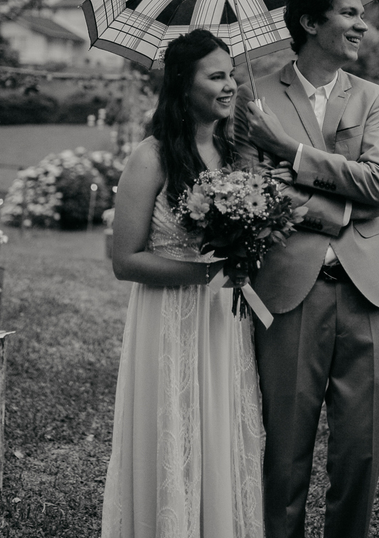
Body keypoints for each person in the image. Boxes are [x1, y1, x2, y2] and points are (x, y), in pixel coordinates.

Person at [233, 0, 379, 538]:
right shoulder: (254, 97)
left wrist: (290, 152)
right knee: (284, 449)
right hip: (289, 287)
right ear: (310, 22)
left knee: (361, 453)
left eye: (362, 13)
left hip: (370, 290)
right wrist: (339, 204)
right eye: (349, 13)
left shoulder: (374, 98)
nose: (363, 24)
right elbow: (251, 192)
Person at [101, 29, 264, 537]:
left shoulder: (238, 155)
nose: (230, 84)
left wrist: (245, 254)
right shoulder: (150, 157)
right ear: (182, 83)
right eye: (216, 75)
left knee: (218, 431)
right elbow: (125, 260)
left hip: (221, 322)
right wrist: (207, 272)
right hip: (166, 320)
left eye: (232, 73)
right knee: (171, 429)